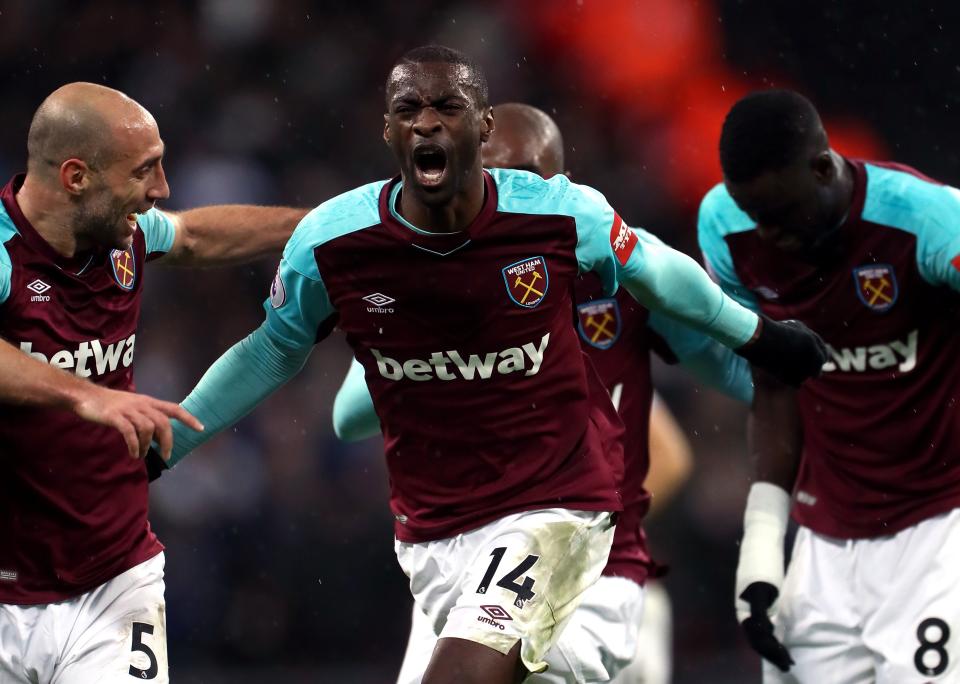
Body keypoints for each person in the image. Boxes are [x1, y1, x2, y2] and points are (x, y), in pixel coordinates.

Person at [162, 47, 825, 684]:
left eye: (448, 106)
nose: (428, 121)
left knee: (465, 671)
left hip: (563, 525)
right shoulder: (339, 245)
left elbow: (665, 278)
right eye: (410, 107)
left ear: (481, 129)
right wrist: (167, 443)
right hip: (435, 544)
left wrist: (765, 339)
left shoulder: (566, 227)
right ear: (387, 128)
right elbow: (284, 361)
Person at [331, 102, 745, 684]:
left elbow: (718, 376)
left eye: (526, 175)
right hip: (469, 559)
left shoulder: (619, 261)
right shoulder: (432, 276)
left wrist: (586, 518)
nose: (506, 191)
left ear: (561, 185)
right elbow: (347, 416)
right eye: (489, 175)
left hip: (588, 575)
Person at [0, 82, 308, 683]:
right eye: (144, 171)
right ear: (75, 177)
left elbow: (193, 234)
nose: (162, 189)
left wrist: (319, 225)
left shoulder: (127, 236)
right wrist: (87, 394)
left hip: (114, 581)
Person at [698, 89, 960, 683]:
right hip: (823, 546)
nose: (769, 236)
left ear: (823, 167)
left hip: (941, 533)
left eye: (781, 215)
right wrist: (763, 547)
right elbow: (773, 380)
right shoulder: (723, 224)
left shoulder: (928, 220)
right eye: (754, 217)